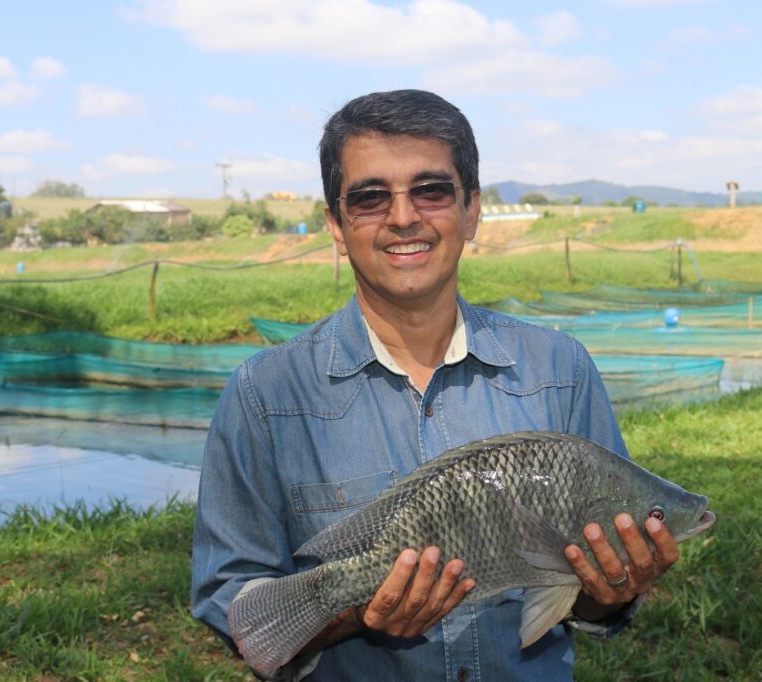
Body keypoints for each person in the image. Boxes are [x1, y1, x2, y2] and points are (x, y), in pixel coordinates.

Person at [191, 89, 680, 681]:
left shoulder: (562, 369)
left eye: (432, 190)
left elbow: (588, 602)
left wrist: (614, 590)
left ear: (471, 210)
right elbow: (236, 604)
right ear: (337, 226)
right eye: (370, 197)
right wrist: (358, 609)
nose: (403, 217)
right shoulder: (264, 393)